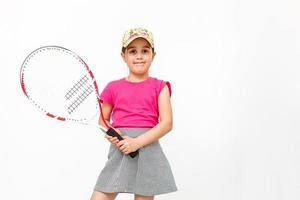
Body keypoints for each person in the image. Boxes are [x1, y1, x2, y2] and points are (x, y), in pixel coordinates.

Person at [90, 27, 177, 200]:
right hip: (121, 149)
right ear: (123, 56)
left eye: (145, 51)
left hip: (148, 149)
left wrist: (136, 142)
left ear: (153, 55)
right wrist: (115, 135)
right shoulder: (113, 87)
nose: (139, 56)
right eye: (132, 51)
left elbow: (167, 124)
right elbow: (103, 120)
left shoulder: (160, 87)